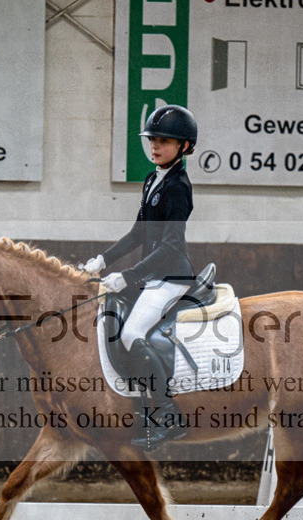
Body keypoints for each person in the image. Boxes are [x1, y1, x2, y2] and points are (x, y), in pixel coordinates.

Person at [81, 104, 197, 450]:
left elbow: (171, 246)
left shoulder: (178, 186)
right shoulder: (152, 179)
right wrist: (102, 259)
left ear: (184, 147)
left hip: (172, 277)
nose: (155, 146)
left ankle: (168, 414)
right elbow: (137, 234)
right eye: (153, 140)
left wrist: (128, 276)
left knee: (132, 333)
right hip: (152, 276)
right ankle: (145, 405)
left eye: (164, 141)